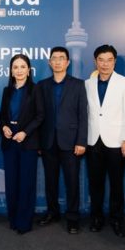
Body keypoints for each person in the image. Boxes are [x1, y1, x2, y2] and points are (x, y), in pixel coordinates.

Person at [84, 45, 125, 237]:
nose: (105, 64)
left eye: (109, 60)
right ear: (95, 61)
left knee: (116, 184)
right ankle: (96, 218)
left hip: (117, 142)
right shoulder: (88, 83)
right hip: (93, 140)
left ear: (114, 61)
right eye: (101, 60)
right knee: (95, 184)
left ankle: (117, 220)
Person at [36, 46, 88, 234]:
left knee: (72, 182)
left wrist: (81, 141)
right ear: (50, 62)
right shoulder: (42, 85)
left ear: (67, 62)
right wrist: (39, 142)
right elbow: (39, 115)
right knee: (50, 181)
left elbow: (83, 115)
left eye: (61, 58)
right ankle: (53, 212)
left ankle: (73, 217)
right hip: (48, 142)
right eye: (54, 58)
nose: (57, 61)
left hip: (71, 142)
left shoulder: (78, 85)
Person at [0, 54, 44, 234]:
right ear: (11, 71)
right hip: (10, 142)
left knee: (26, 184)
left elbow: (40, 115)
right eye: (15, 67)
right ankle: (13, 219)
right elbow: (2, 115)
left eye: (22, 67)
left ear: (28, 70)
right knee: (12, 183)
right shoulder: (7, 91)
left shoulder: (35, 89)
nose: (19, 70)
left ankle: (24, 223)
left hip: (28, 142)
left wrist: (25, 132)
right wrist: (3, 127)